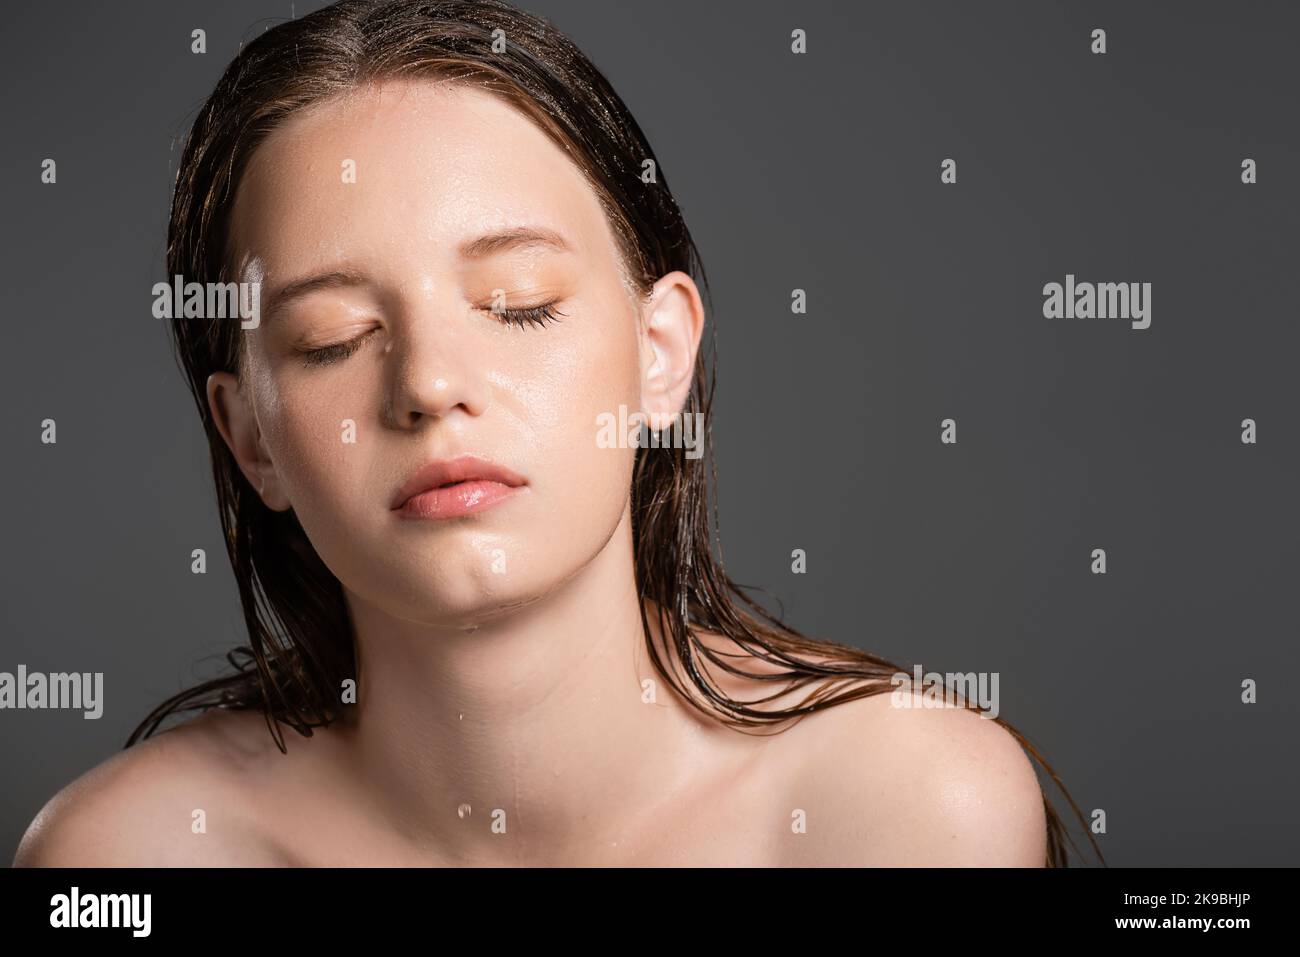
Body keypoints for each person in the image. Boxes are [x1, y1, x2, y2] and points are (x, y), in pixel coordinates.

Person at [14, 0, 1098, 867]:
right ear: (250, 438)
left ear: (660, 352)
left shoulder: (906, 815)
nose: (431, 386)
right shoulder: (126, 862)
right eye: (333, 336)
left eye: (520, 302)